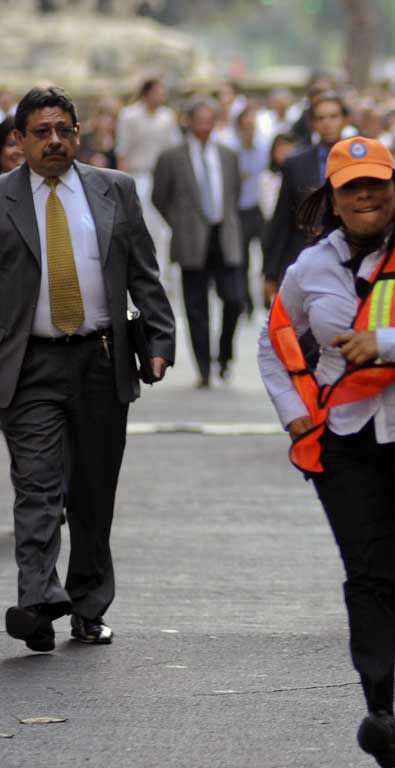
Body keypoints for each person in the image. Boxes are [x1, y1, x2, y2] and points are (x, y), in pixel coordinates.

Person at [256, 136, 395, 766]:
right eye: (351, 187)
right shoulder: (310, 268)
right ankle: (379, 708)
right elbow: (274, 341)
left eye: (375, 184)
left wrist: (387, 343)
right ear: (332, 198)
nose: (365, 196)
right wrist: (296, 417)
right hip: (347, 440)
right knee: (369, 572)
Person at [1, 86, 175, 652]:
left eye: (63, 130)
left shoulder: (114, 191)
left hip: (102, 359)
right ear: (20, 140)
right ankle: (36, 602)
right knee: (37, 486)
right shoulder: (2, 200)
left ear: (78, 135)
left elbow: (145, 272)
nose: (54, 141)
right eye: (41, 132)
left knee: (93, 493)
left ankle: (88, 606)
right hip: (29, 365)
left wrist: (160, 338)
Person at [152, 97, 245, 388]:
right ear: (188, 121)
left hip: (224, 236)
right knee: (196, 308)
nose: (204, 125)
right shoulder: (171, 157)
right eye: (199, 119)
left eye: (209, 119)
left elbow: (234, 194)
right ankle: (203, 367)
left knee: (234, 299)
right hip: (191, 239)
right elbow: (159, 197)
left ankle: (225, 355)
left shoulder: (228, 155)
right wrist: (179, 223)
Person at [263, 92, 347, 294]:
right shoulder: (296, 162)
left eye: (333, 116)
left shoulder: (359, 156)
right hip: (303, 255)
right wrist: (271, 273)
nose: (327, 123)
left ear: (344, 120)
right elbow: (282, 218)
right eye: (321, 118)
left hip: (348, 257)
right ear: (312, 123)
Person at [115, 78, 181, 282]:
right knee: (144, 227)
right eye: (158, 92)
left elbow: (174, 147)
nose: (161, 96)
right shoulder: (129, 116)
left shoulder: (167, 117)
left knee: (163, 230)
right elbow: (123, 151)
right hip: (138, 176)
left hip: (162, 177)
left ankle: (162, 274)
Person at [230, 104, 269, 316]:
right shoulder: (232, 152)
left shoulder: (264, 150)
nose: (249, 131)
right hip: (241, 210)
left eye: (252, 126)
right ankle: (247, 301)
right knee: (242, 260)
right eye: (245, 127)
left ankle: (266, 295)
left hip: (261, 210)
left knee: (266, 256)